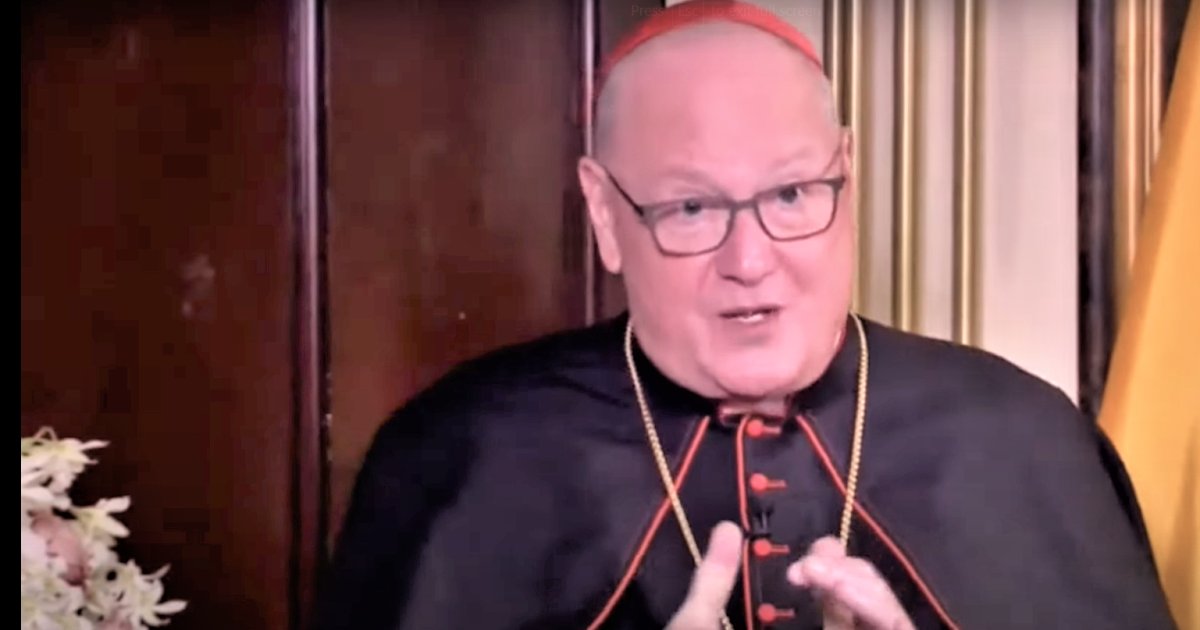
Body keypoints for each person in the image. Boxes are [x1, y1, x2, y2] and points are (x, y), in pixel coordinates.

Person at [312, 1, 1176, 628]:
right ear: (605, 213)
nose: (751, 260)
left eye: (793, 193)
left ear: (848, 176)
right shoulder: (457, 456)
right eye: (691, 209)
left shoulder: (1027, 439)